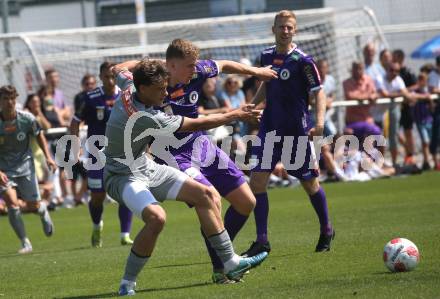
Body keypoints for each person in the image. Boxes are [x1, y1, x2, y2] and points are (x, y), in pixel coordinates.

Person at [104, 59, 268, 295]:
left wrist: (154, 63)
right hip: (122, 176)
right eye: (160, 89)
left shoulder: (130, 84)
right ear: (144, 89)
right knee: (157, 219)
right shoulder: (145, 117)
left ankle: (230, 262)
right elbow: (195, 123)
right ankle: (127, 283)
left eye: (165, 86)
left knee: (205, 195)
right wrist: (235, 115)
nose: (165, 92)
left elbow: (118, 68)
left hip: (146, 167)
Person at [160, 38, 277, 283]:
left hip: (201, 144)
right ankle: (222, 267)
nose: (195, 70)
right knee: (210, 198)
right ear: (170, 65)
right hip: (173, 153)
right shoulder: (154, 84)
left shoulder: (198, 71)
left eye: (195, 65)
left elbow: (223, 65)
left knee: (246, 201)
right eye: (189, 66)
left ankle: (223, 258)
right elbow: (127, 69)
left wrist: (256, 71)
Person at [243, 10, 335, 257]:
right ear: (273, 29)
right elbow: (267, 83)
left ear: (295, 31)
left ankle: (326, 229)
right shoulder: (266, 56)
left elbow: (319, 91)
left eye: (289, 27)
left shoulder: (304, 61)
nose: (285, 31)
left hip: (295, 131)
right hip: (269, 129)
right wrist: (253, 104)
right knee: (257, 182)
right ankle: (262, 240)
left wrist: (319, 122)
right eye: (281, 26)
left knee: (309, 183)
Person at [70, 62, 134, 247]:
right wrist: (77, 148)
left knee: (126, 193)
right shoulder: (90, 97)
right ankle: (97, 226)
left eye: (113, 76)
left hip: (121, 152)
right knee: (97, 196)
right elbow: (75, 122)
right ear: (100, 77)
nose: (110, 80)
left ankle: (125, 235)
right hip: (97, 155)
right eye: (106, 76)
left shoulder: (127, 95)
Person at [0, 85, 56, 253]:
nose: (9, 102)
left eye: (12, 98)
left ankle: (42, 209)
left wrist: (48, 157)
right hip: (4, 170)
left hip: (25, 166)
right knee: (12, 203)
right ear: (0, 101)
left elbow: (39, 135)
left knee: (33, 205)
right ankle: (25, 243)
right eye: (5, 99)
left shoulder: (26, 118)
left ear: (15, 99)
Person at [376, 62, 415, 166]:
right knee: (380, 137)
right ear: (387, 69)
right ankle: (380, 163)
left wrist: (405, 95)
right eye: (391, 70)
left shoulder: (398, 80)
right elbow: (385, 94)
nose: (393, 73)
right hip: (379, 112)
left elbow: (406, 94)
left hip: (393, 109)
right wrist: (401, 94)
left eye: (396, 71)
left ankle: (394, 162)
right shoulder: (380, 78)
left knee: (394, 136)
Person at [393, 49, 417, 165]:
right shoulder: (392, 71)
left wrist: (404, 92)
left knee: (408, 132)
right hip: (396, 107)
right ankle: (410, 152)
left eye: (394, 57)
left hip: (406, 107)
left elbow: (416, 85)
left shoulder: (408, 71)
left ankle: (410, 156)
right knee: (396, 132)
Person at [412, 73, 434, 170]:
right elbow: (412, 97)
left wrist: (430, 101)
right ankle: (427, 161)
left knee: (429, 141)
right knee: (425, 141)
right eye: (420, 79)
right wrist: (425, 97)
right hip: (420, 119)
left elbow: (432, 106)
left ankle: (427, 161)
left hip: (428, 119)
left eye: (423, 79)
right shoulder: (416, 91)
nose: (422, 81)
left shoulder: (429, 90)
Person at [428, 56, 440, 170]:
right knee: (436, 135)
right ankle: (436, 162)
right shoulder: (432, 75)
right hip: (436, 108)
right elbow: (433, 89)